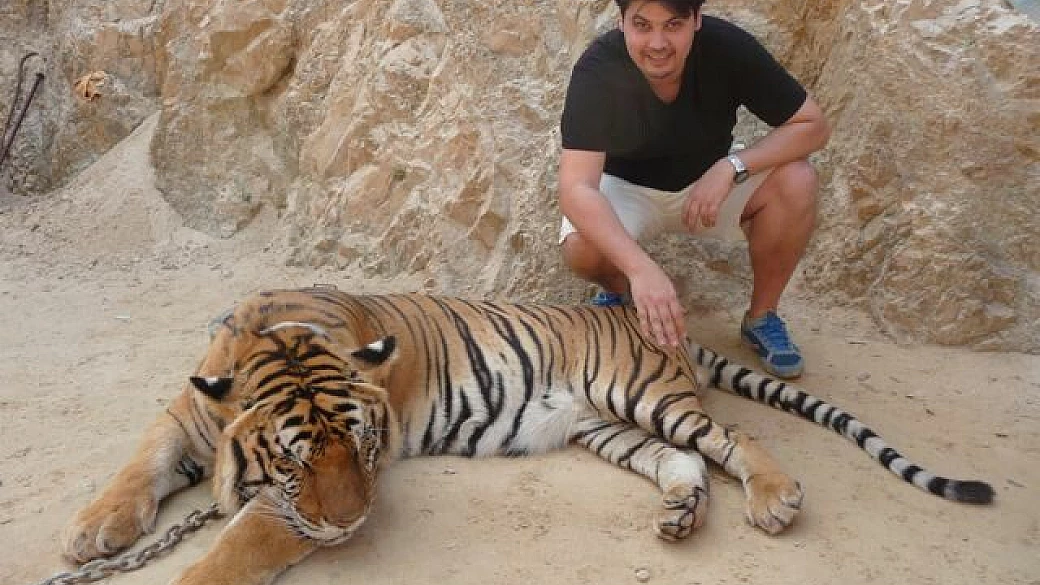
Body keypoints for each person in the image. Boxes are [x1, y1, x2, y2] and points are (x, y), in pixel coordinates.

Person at [557, 0, 830, 378]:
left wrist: (732, 166)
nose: (657, 43)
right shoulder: (598, 68)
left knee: (798, 180)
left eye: (673, 25)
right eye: (642, 25)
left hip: (708, 185)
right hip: (627, 190)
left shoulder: (727, 47)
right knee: (580, 246)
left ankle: (762, 317)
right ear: (621, 22)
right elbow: (576, 189)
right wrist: (641, 270)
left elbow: (813, 126)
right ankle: (623, 296)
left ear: (697, 20)